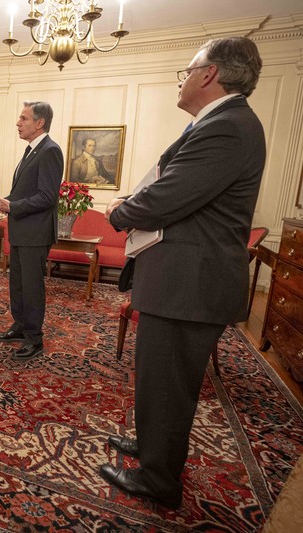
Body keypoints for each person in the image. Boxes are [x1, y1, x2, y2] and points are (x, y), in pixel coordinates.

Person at [100, 37, 265, 510]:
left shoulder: (229, 127)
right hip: (180, 281)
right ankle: (154, 451)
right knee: (159, 378)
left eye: (186, 71)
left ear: (209, 74)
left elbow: (167, 196)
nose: (183, 80)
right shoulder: (217, 123)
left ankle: (158, 480)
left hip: (189, 285)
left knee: (169, 384)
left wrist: (120, 210)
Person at [0, 101, 63, 359]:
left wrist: (13, 205)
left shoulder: (50, 150)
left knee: (31, 287)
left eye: (24, 118)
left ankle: (34, 338)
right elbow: (25, 191)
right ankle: (20, 326)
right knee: (18, 284)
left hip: (35, 233)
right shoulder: (32, 150)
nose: (18, 123)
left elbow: (46, 197)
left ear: (39, 123)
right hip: (22, 230)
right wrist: (7, 202)